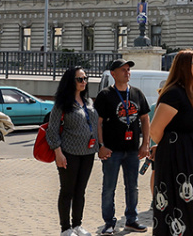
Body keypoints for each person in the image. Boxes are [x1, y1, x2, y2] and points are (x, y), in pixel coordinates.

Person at [151, 50, 193, 236]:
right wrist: (171, 146)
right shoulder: (174, 94)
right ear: (183, 67)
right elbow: (156, 130)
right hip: (178, 159)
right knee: (179, 207)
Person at [95, 59, 151, 234]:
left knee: (132, 187)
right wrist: (101, 146)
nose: (127, 72)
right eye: (123, 70)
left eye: (128, 70)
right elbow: (98, 122)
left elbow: (145, 119)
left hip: (133, 150)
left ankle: (131, 220)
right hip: (112, 150)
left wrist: (145, 144)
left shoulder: (136, 93)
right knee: (109, 187)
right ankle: (109, 222)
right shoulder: (105, 95)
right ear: (113, 74)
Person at [47, 67, 100, 236]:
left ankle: (77, 225)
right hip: (69, 153)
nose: (84, 82)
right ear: (71, 81)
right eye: (79, 79)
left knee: (80, 191)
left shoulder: (88, 101)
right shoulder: (62, 104)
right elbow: (52, 130)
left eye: (85, 78)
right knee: (67, 190)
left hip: (88, 153)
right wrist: (58, 153)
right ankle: (65, 228)